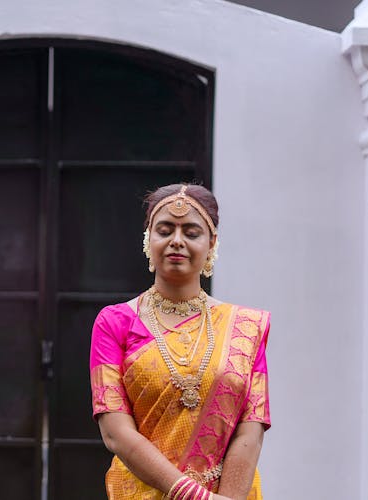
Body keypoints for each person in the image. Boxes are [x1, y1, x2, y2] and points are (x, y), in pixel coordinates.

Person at [89, 184, 270, 500]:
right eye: (164, 230)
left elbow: (251, 428)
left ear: (211, 243)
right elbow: (115, 432)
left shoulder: (246, 327)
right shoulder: (114, 322)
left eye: (191, 232)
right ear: (149, 238)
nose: (177, 241)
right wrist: (197, 497)